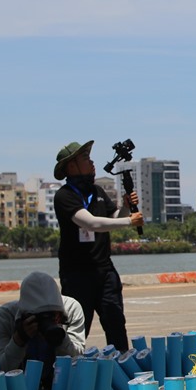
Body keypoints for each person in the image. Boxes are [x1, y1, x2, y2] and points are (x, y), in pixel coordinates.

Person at [53, 140, 144, 353]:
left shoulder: (98, 191)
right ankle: (68, 373)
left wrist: (125, 208)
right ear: (71, 166)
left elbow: (112, 217)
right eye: (85, 158)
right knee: (76, 330)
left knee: (116, 324)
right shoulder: (64, 196)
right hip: (77, 275)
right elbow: (90, 223)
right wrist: (129, 221)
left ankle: (123, 370)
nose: (92, 162)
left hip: (104, 271)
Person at [0, 271, 86, 390]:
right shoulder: (3, 318)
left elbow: (78, 362)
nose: (44, 322)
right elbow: (2, 371)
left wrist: (60, 336)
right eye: (39, 317)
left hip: (61, 386)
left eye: (51, 315)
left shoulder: (72, 309)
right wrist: (19, 340)